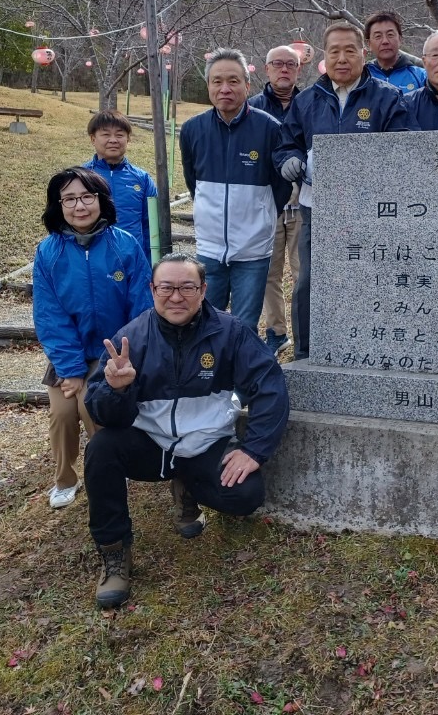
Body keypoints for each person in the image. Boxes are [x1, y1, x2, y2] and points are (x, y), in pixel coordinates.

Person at [82, 253, 290, 608]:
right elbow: (103, 411)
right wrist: (117, 390)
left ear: (204, 289)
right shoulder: (131, 338)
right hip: (150, 445)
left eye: (187, 287)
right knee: (101, 449)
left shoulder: (231, 333)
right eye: (166, 287)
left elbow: (271, 387)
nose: (176, 297)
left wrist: (253, 450)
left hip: (205, 444)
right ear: (152, 289)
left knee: (245, 496)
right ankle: (115, 553)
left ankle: (188, 489)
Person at [275, 19, 411, 360]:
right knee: (309, 283)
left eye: (350, 50)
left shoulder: (388, 98)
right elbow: (286, 143)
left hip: (371, 213)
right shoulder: (306, 100)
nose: (342, 58)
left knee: (369, 280)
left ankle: (372, 347)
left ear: (363, 54)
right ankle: (307, 353)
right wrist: (289, 160)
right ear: (325, 56)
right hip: (317, 209)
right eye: (334, 51)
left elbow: (405, 148)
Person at [32, 167, 153, 510]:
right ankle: (65, 479)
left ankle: (109, 470)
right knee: (62, 414)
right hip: (69, 355)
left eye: (87, 196)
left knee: (92, 410)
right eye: (69, 199)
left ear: (101, 200)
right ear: (58, 205)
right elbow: (49, 316)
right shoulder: (48, 252)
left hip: (114, 355)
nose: (79, 206)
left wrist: (125, 357)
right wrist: (70, 369)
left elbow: (141, 308)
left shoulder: (125, 246)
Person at [179, 49, 290, 334]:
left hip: (253, 249)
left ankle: (241, 379)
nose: (224, 88)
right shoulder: (192, 129)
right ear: (208, 86)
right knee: (204, 324)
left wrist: (261, 215)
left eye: (233, 81)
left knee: (243, 327)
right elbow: (193, 181)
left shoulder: (269, 129)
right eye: (217, 81)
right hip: (209, 247)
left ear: (247, 84)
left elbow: (281, 187)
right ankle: (209, 378)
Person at [249, 45, 304, 354]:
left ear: (298, 70)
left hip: (302, 201)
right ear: (266, 69)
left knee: (302, 272)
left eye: (290, 64)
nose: (284, 69)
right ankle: (276, 331)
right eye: (277, 64)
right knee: (269, 272)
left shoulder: (310, 103)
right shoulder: (253, 106)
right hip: (266, 202)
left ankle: (304, 332)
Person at [83, 111, 157, 266]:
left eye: (119, 135)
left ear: (128, 139)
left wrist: (152, 264)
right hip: (92, 260)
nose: (113, 140)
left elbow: (152, 226)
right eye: (106, 134)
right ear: (92, 138)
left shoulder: (142, 179)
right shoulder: (81, 177)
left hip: (132, 260)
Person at [364, 10, 426, 91]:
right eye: (378, 36)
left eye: (390, 35)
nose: (385, 41)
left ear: (400, 39)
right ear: (369, 44)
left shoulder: (421, 77)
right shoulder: (362, 76)